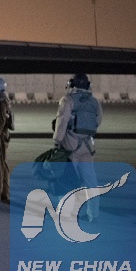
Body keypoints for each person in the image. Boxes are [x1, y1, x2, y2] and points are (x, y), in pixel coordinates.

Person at [53, 73, 102, 222]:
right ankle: (93, 214)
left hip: (70, 144)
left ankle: (65, 213)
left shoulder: (68, 100)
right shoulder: (94, 101)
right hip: (87, 145)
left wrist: (57, 141)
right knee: (90, 181)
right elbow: (98, 121)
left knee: (66, 179)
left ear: (72, 84)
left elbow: (62, 121)